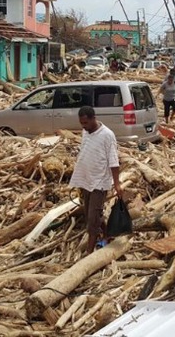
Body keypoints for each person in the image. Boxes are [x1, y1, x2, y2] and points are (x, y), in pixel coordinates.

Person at [69, 106, 125, 252]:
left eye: (86, 123)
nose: (83, 126)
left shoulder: (107, 135)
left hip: (100, 182)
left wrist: (117, 184)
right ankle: (107, 234)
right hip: (86, 180)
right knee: (90, 215)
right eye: (81, 123)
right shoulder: (86, 132)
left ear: (93, 118)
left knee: (92, 221)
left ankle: (89, 253)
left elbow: (113, 161)